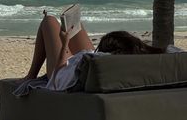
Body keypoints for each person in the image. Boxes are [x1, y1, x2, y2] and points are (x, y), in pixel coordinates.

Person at [19, 12, 164, 92]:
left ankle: (31, 75)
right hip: (87, 63)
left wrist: (65, 45)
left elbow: (57, 79)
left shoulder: (95, 63)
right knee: (73, 23)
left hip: (70, 70)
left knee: (49, 21)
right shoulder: (139, 60)